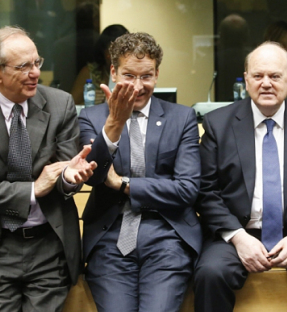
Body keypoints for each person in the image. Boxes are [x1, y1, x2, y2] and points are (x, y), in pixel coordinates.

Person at [194, 41, 287, 312]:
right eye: (258, 76)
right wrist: (238, 237)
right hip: (237, 232)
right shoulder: (218, 125)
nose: (266, 83)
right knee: (210, 273)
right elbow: (206, 193)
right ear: (246, 80)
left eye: (275, 76)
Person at [0, 26, 97, 312]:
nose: (35, 73)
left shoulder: (59, 104)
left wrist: (70, 177)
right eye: (23, 66)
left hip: (48, 246)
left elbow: (63, 173)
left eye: (37, 62)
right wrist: (32, 189)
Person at [78, 32, 201, 312]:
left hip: (167, 235)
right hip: (110, 238)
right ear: (113, 72)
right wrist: (114, 124)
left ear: (157, 74)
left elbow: (186, 189)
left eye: (145, 76)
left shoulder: (181, 118)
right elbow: (96, 177)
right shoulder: (91, 118)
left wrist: (123, 183)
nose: (137, 86)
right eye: (128, 75)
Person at [71, 24, 129, 105]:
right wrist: (90, 101)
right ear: (103, 50)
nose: (116, 57)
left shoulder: (134, 72)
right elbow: (71, 105)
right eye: (112, 52)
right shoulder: (90, 72)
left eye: (122, 52)